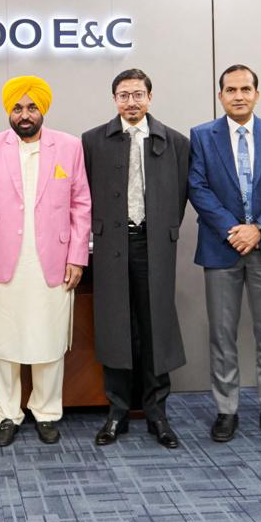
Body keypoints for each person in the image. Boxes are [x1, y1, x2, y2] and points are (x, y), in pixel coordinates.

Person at [188, 64, 261, 444]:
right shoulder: (202, 136)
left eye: (245, 89)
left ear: (257, 93)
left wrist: (259, 228)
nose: (239, 96)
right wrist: (233, 229)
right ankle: (226, 409)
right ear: (220, 95)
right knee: (222, 335)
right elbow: (197, 187)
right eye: (231, 90)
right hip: (222, 247)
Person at [0, 76, 91, 446]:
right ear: (8, 111)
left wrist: (77, 256)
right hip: (2, 261)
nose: (24, 115)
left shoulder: (69, 146)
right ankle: (8, 414)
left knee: (49, 339)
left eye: (31, 107)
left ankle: (46, 412)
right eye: (17, 108)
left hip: (54, 260)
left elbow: (81, 204)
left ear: (43, 109)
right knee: (3, 341)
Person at [82, 68, 190, 449]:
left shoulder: (174, 142)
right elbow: (84, 193)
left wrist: (159, 229)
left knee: (155, 326)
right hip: (110, 245)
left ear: (150, 97)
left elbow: (178, 198)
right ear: (114, 99)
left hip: (153, 244)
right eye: (124, 95)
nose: (131, 102)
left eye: (138, 94)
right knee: (116, 326)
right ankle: (118, 411)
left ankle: (157, 412)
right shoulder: (93, 141)